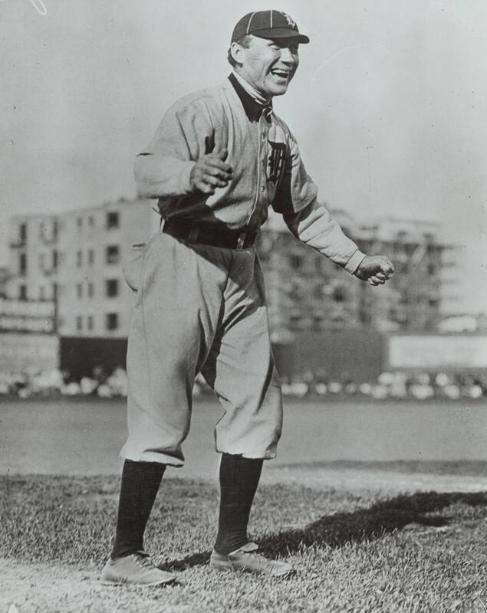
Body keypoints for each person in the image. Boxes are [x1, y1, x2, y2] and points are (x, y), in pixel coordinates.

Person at [101, 9, 394, 586]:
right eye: (274, 45)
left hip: (242, 264)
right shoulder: (202, 108)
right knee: (161, 410)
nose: (288, 56)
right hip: (182, 257)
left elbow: (304, 211)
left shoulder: (280, 133)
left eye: (295, 47)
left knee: (257, 405)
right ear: (237, 52)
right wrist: (187, 173)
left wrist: (356, 259)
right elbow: (146, 170)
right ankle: (125, 557)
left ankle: (231, 547)